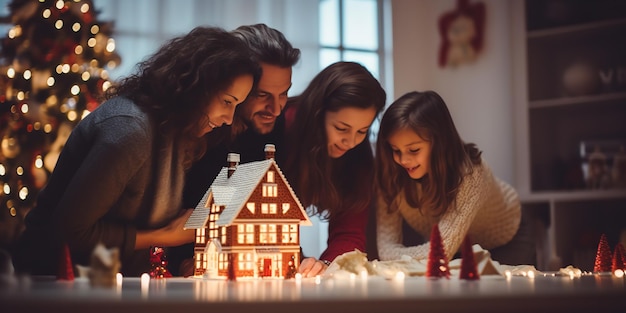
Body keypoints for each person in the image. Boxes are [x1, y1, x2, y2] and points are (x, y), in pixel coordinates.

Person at [12, 26, 261, 276]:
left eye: (236, 106)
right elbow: (67, 235)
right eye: (227, 101)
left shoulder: (176, 132)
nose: (229, 118)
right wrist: (165, 236)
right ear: (196, 85)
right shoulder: (130, 131)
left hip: (110, 285)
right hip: (54, 287)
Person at [171, 23, 301, 276]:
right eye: (262, 94)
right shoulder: (200, 130)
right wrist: (187, 260)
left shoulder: (277, 128)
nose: (276, 109)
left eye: (284, 94)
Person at [374, 90, 535, 265]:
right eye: (395, 150)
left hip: (506, 238)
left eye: (414, 150)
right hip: (455, 248)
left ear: (439, 142)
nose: (403, 160)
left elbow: (439, 252)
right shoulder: (391, 174)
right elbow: (386, 248)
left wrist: (397, 256)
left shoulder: (470, 173)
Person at [279, 61, 386, 277]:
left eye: (362, 131)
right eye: (341, 128)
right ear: (317, 114)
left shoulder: (359, 158)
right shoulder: (282, 128)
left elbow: (350, 233)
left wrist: (328, 263)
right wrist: (294, 258)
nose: (350, 142)